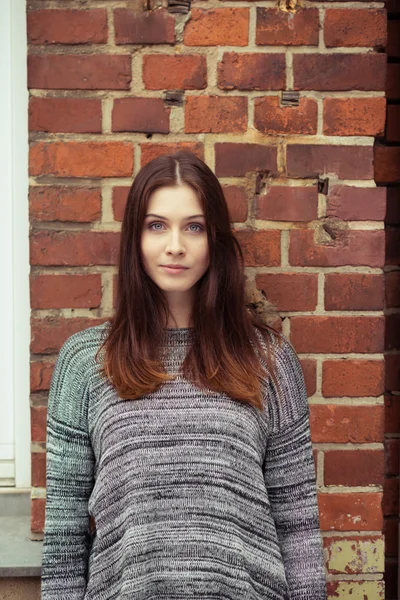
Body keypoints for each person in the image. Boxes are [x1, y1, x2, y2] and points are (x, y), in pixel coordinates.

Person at [41, 150, 327, 600]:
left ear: (214, 239)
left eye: (193, 227)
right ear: (134, 238)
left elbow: (297, 526)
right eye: (157, 225)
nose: (175, 245)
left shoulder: (268, 358)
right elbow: (63, 537)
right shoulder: (85, 361)